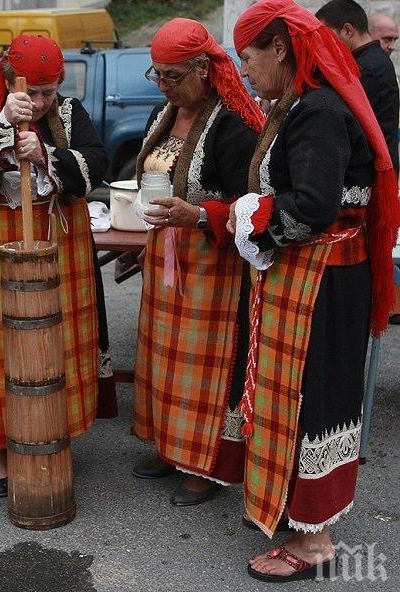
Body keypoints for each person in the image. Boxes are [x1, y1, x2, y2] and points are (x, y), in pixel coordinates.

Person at [231, 0, 399, 581]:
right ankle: (301, 519)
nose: (245, 71)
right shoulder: (305, 105)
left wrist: (254, 225)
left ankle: (315, 543)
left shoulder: (318, 111)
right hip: (321, 277)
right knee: (307, 394)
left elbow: (314, 206)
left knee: (315, 398)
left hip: (324, 282)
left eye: (249, 58)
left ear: (279, 48)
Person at [0, 35, 117, 496]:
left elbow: (97, 165)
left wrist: (47, 155)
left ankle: (54, 433)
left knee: (59, 338)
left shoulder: (71, 113)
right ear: (8, 79)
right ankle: (1, 444)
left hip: (61, 233)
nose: (39, 103)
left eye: (48, 93)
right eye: (31, 93)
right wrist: (1, 123)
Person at [130, 19, 264, 506]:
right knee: (163, 356)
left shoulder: (234, 122)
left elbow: (251, 201)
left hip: (212, 261)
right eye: (157, 75)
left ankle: (204, 464)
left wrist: (198, 214)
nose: (165, 86)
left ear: (204, 69)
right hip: (166, 254)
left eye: (174, 76)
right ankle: (169, 446)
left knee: (205, 365)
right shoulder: (162, 114)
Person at [317, 0, 399, 173]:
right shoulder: (371, 60)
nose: (323, 44)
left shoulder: (366, 67)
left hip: (372, 170)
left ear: (347, 30)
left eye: (327, 36)